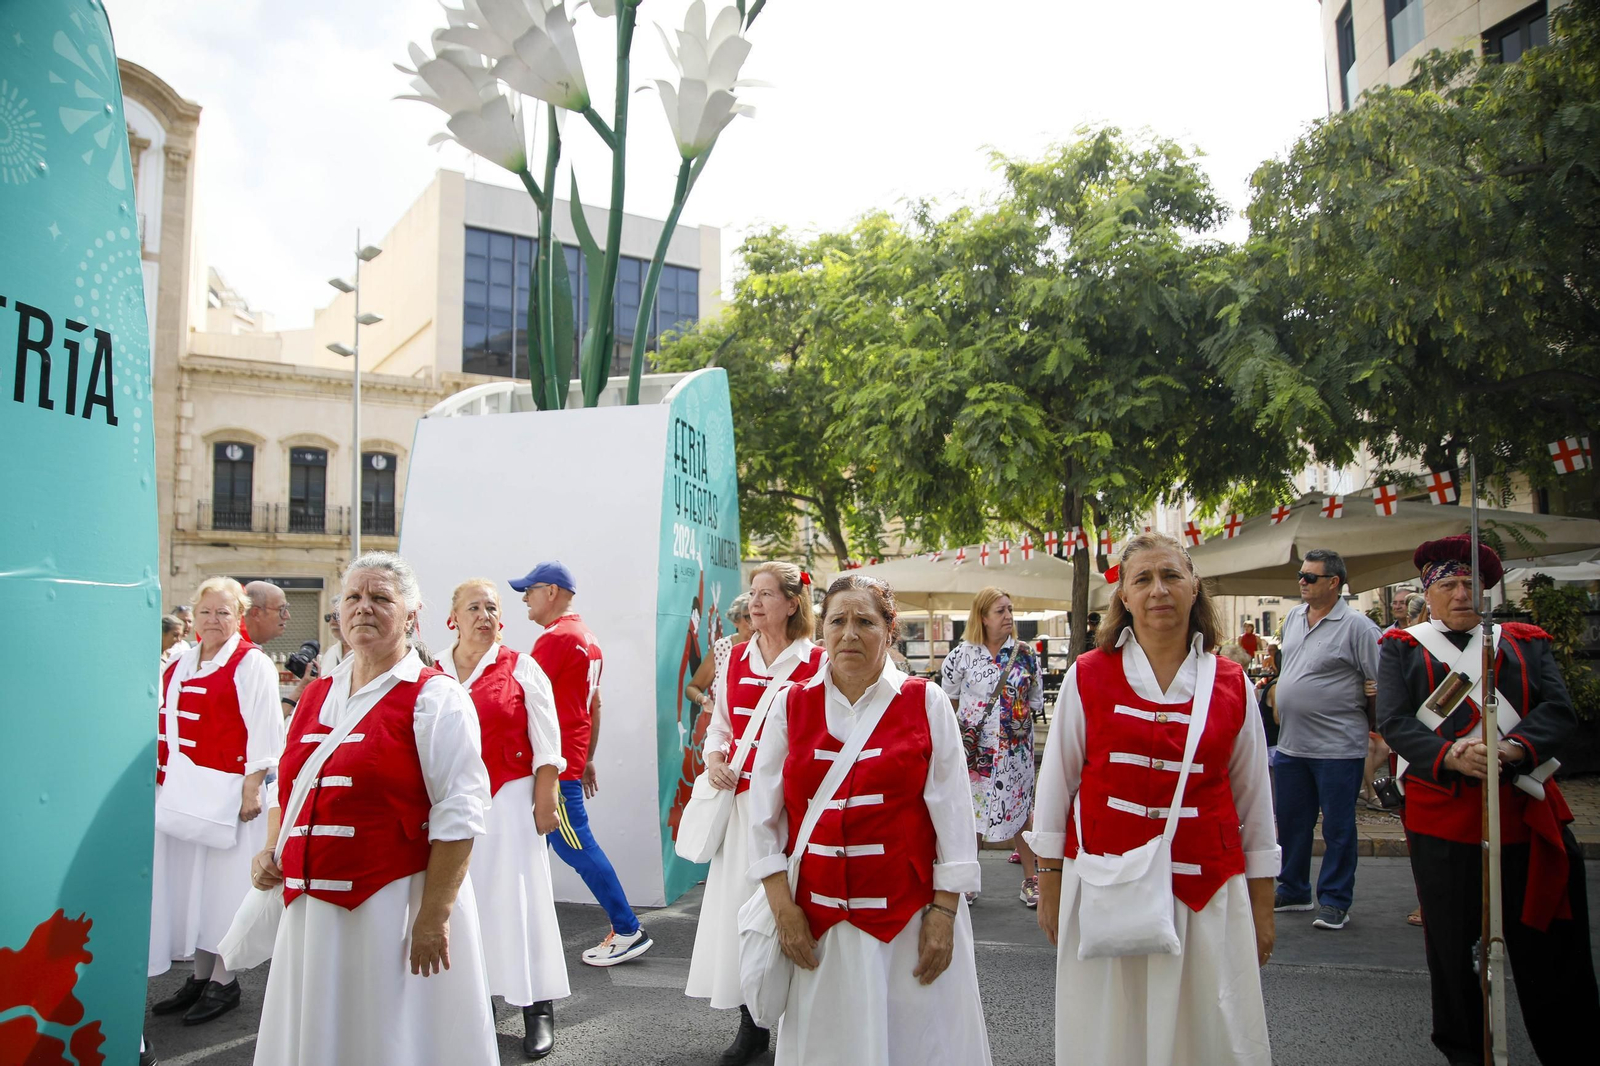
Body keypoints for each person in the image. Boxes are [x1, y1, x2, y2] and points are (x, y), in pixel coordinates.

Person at [1031, 532, 1278, 1066]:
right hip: (1105, 884)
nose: (1158, 590)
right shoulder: (1087, 675)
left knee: (1206, 1030)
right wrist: (1049, 880)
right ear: (1123, 595)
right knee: (1111, 1030)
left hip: (1207, 889)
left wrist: (1262, 904)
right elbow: (1056, 784)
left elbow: (1255, 800)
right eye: (1142, 579)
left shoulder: (1232, 683)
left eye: (1171, 575)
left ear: (1194, 587)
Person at [250, 552, 496, 1066]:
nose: (364, 608)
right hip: (312, 910)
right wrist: (271, 848)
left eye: (381, 598)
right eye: (354, 597)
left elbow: (460, 810)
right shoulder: (316, 693)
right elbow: (289, 786)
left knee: (388, 1037)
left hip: (393, 905)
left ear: (411, 616)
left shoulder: (436, 698)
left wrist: (434, 916)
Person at [748, 574, 990, 1065]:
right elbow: (762, 819)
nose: (849, 633)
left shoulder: (926, 702)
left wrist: (944, 914)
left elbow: (955, 818)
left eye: (865, 621)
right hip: (818, 927)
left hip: (907, 925)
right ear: (822, 632)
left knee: (913, 1045)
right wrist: (782, 910)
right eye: (837, 620)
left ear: (890, 631)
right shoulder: (789, 706)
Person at [1378, 536, 1598, 1065]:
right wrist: (1452, 756)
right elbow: (1395, 721)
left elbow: (1557, 710)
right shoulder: (1402, 648)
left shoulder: (1524, 642)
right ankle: (1465, 1053)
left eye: (1470, 583)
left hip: (1525, 814)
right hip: (1443, 821)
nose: (1460, 594)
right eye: (1448, 584)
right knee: (1452, 954)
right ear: (1427, 594)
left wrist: (1516, 748)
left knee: (1552, 947)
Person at [689, 563, 823, 1065]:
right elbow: (720, 722)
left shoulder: (816, 661)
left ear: (793, 603)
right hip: (744, 807)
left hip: (794, 812)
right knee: (742, 915)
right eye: (753, 593)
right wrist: (716, 758)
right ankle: (751, 1026)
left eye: (767, 594)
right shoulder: (737, 657)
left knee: (792, 912)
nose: (756, 602)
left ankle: (797, 1022)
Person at [437, 579, 567, 1060]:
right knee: (461, 906)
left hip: (510, 802)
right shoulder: (431, 671)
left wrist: (546, 796)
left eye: (491, 607)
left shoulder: (521, 666)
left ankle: (537, 1006)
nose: (484, 615)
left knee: (519, 901)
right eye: (474, 607)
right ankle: (477, 1006)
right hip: (451, 807)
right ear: (454, 617)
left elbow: (547, 740)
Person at [148, 578, 283, 1025]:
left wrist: (252, 786)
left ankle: (225, 982)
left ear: (239, 616)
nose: (212, 620)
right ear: (194, 614)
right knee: (194, 889)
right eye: (205, 611)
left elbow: (265, 728)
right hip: (183, 792)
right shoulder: (182, 663)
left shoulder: (251, 663)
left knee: (225, 890)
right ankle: (201, 976)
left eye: (223, 612)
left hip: (230, 795)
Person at [513, 560, 652, 966]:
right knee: (561, 843)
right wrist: (588, 756)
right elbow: (594, 704)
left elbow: (522, 702)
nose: (525, 598)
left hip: (554, 764)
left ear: (551, 592)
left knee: (575, 845)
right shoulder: (587, 638)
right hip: (568, 758)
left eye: (530, 590)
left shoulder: (555, 640)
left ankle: (628, 929)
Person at [1271, 548, 1380, 931]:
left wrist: (1375, 724)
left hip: (1337, 746)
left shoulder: (1358, 627)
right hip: (1292, 745)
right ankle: (1294, 888)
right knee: (1291, 822)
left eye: (1311, 577)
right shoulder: (1294, 618)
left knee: (1337, 828)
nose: (1302, 582)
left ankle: (1335, 900)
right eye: (1301, 575)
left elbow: (1380, 681)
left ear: (1334, 583)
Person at [940, 586, 1044, 907]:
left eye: (1010, 610)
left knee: (1021, 814)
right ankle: (969, 880)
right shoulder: (962, 655)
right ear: (983, 617)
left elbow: (1035, 699)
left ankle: (1031, 879)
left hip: (1016, 752)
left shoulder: (1026, 653)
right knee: (973, 814)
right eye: (1000, 611)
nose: (1008, 617)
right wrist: (964, 734)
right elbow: (949, 700)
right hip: (977, 753)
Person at [684, 593, 753, 724]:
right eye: (749, 617)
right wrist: (703, 700)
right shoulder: (723, 647)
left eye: (760, 615)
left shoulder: (769, 647)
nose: (754, 623)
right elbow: (692, 688)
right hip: (724, 729)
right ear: (735, 620)